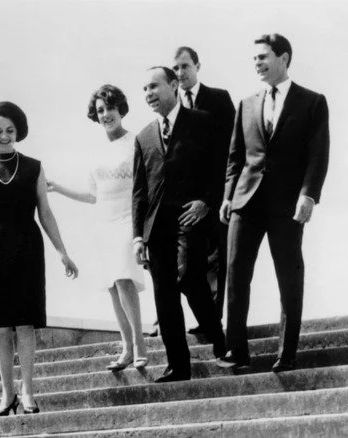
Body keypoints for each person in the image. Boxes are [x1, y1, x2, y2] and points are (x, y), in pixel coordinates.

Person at [220, 33, 329, 373]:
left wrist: (309, 195)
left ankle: (288, 353)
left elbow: (318, 154)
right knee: (236, 274)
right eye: (254, 58)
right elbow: (235, 157)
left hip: (287, 204)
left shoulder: (311, 101)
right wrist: (227, 196)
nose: (258, 63)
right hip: (245, 201)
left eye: (264, 56)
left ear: (284, 58)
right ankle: (236, 351)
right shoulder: (246, 103)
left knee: (288, 276)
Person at [0, 101, 79, 415]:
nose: (3, 136)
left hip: (27, 245)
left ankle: (27, 392)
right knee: (1, 327)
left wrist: (62, 252)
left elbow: (46, 212)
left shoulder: (34, 166)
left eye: (9, 130)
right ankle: (7, 393)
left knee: (25, 324)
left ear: (18, 132)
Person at [132, 67, 228, 383]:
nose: (149, 93)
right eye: (144, 88)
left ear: (173, 85)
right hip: (156, 225)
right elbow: (139, 190)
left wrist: (207, 202)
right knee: (164, 294)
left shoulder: (201, 121)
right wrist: (137, 237)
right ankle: (178, 366)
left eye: (154, 86)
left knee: (189, 276)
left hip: (192, 216)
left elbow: (221, 167)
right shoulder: (144, 136)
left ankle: (219, 338)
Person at [47, 85, 148, 371]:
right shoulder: (95, 151)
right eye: (101, 110)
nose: (106, 114)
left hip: (129, 219)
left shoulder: (136, 141)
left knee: (124, 278)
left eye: (110, 108)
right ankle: (127, 348)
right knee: (113, 286)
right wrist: (58, 188)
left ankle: (140, 345)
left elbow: (145, 186)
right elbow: (93, 195)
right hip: (104, 221)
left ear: (120, 109)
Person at [172, 46, 236, 335]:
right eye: (176, 68)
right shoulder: (173, 105)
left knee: (218, 259)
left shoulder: (218, 99)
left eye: (185, 66)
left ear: (198, 65)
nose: (181, 72)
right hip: (187, 200)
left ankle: (216, 320)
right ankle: (208, 317)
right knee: (190, 264)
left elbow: (233, 149)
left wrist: (218, 196)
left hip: (218, 194)